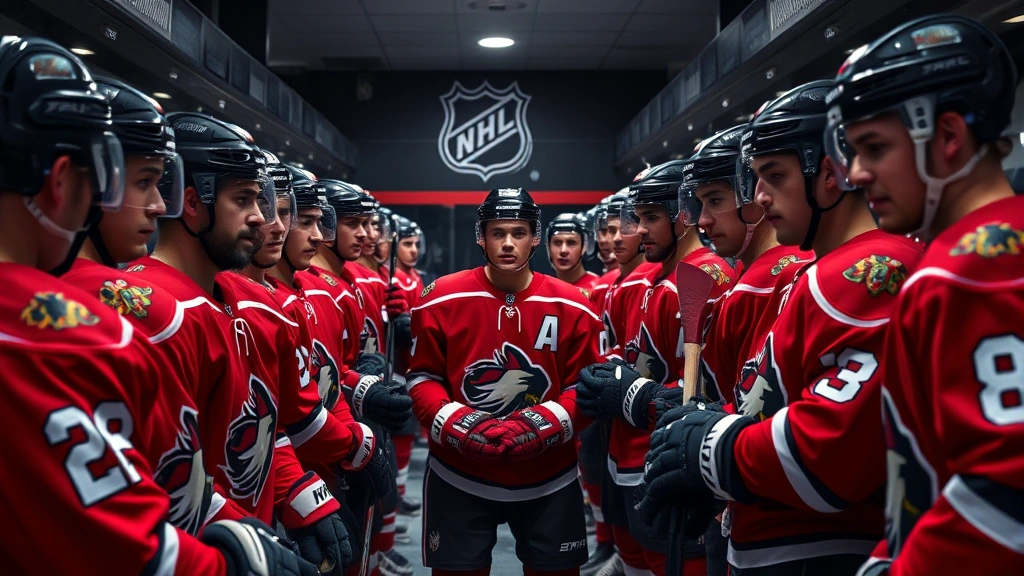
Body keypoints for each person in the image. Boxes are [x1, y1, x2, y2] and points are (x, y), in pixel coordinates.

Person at [0, 35, 314, 575]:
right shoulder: (83, 330)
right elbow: (127, 530)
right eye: (135, 181)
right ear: (60, 181)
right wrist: (231, 562)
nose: (153, 204)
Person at [639, 80, 923, 576]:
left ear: (830, 171)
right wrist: (715, 428)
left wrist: (713, 448)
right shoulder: (820, 270)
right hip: (778, 535)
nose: (760, 200)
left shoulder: (865, 270)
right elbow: (771, 397)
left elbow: (833, 451)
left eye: (774, 176)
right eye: (755, 180)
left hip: (819, 547)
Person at [826, 15, 1024, 575]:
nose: (857, 172)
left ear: (948, 137)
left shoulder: (970, 271)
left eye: (874, 147)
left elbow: (1009, 484)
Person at [407, 187, 602, 576]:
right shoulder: (439, 298)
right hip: (458, 474)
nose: (508, 243)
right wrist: (457, 423)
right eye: (498, 233)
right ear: (481, 236)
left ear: (535, 237)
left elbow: (585, 387)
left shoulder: (575, 304)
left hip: (550, 476)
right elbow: (422, 377)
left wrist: (546, 422)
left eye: (518, 232)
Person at [577, 161, 736, 576]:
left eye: (650, 218)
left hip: (671, 465)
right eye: (638, 218)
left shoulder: (706, 275)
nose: (639, 230)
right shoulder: (648, 278)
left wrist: (636, 394)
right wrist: (611, 371)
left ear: (681, 215)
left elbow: (707, 389)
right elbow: (635, 352)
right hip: (631, 457)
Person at [219, 159, 369, 574]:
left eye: (287, 214)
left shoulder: (288, 299)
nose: (274, 225)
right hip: (235, 514)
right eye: (287, 215)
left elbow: (317, 388)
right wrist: (356, 445)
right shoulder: (250, 302)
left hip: (270, 496)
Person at [305, 179, 414, 576]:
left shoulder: (342, 282)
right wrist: (362, 384)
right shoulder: (317, 290)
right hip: (322, 446)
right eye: (354, 223)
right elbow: (318, 378)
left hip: (346, 428)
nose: (368, 234)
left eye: (370, 224)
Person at [678, 125, 813, 403]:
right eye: (701, 203)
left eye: (715, 200)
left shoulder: (765, 283)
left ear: (751, 193)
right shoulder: (744, 272)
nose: (703, 220)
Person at [580, 190, 655, 576]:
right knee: (597, 470)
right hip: (620, 424)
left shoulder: (646, 282)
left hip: (647, 430)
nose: (610, 239)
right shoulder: (618, 282)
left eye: (619, 229)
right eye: (605, 230)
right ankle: (610, 545)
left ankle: (615, 548)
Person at [546, 212, 600, 292]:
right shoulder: (542, 289)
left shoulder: (598, 288)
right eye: (557, 243)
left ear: (584, 246)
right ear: (548, 247)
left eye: (571, 243)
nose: (563, 250)